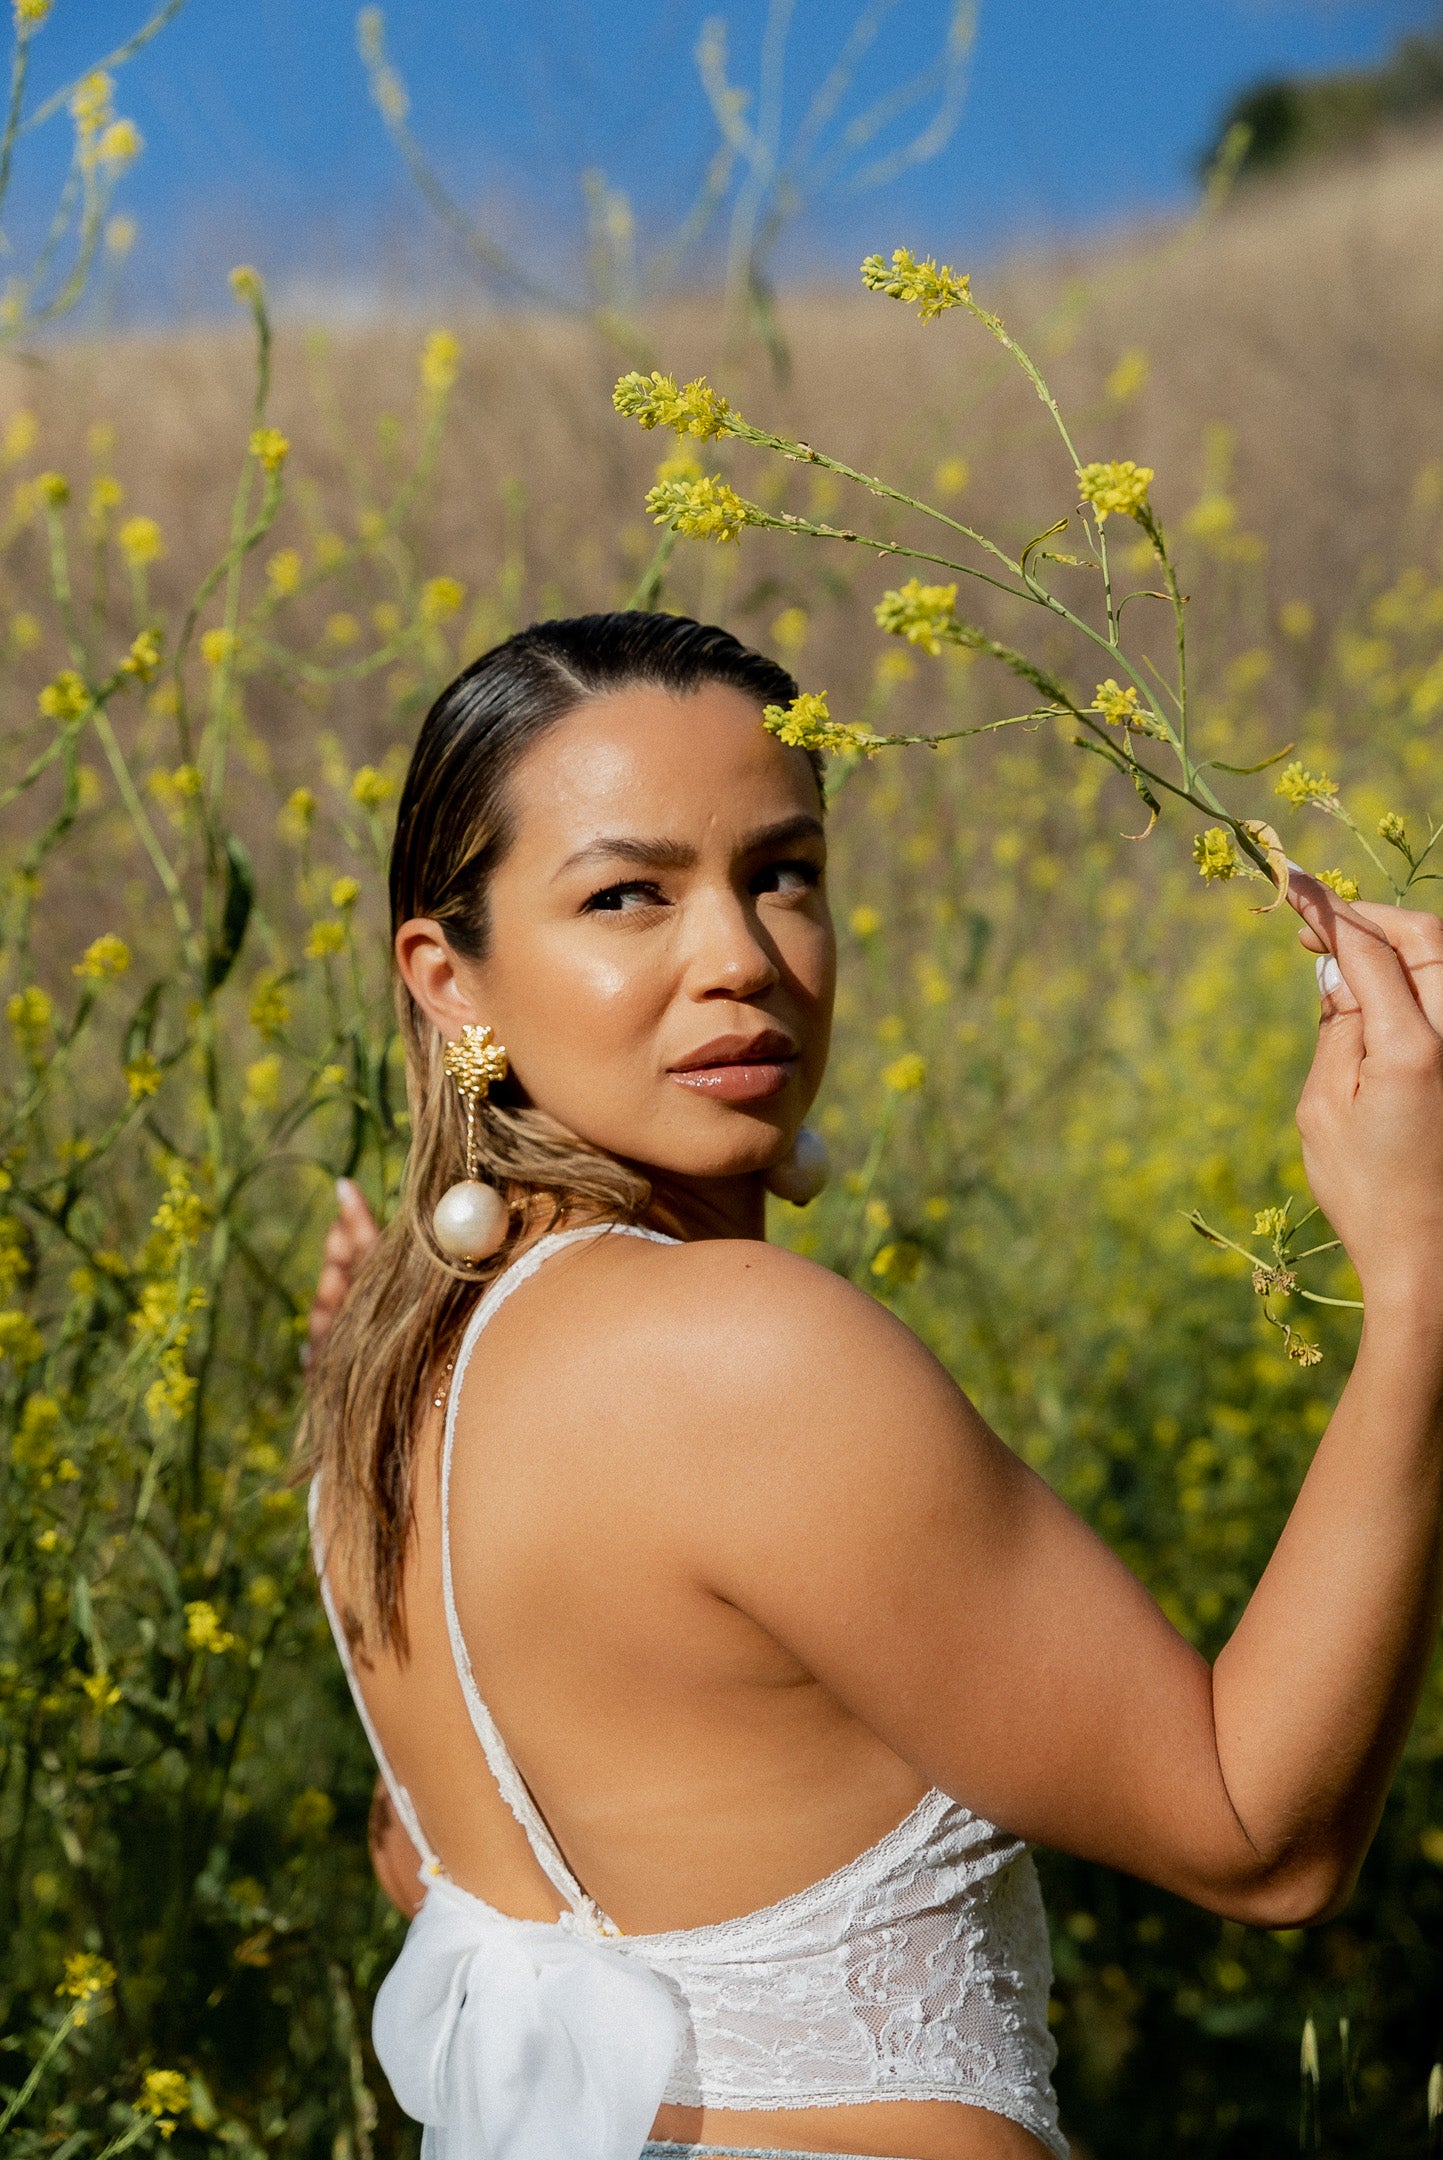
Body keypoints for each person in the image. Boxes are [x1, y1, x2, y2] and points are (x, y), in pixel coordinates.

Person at [303, 610, 1443, 2160]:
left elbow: (457, 1870)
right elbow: (1257, 1838)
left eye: (783, 873)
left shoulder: (394, 1367)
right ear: (451, 981)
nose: (742, 961)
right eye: (628, 895)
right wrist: (1423, 1285)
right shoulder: (738, 1350)